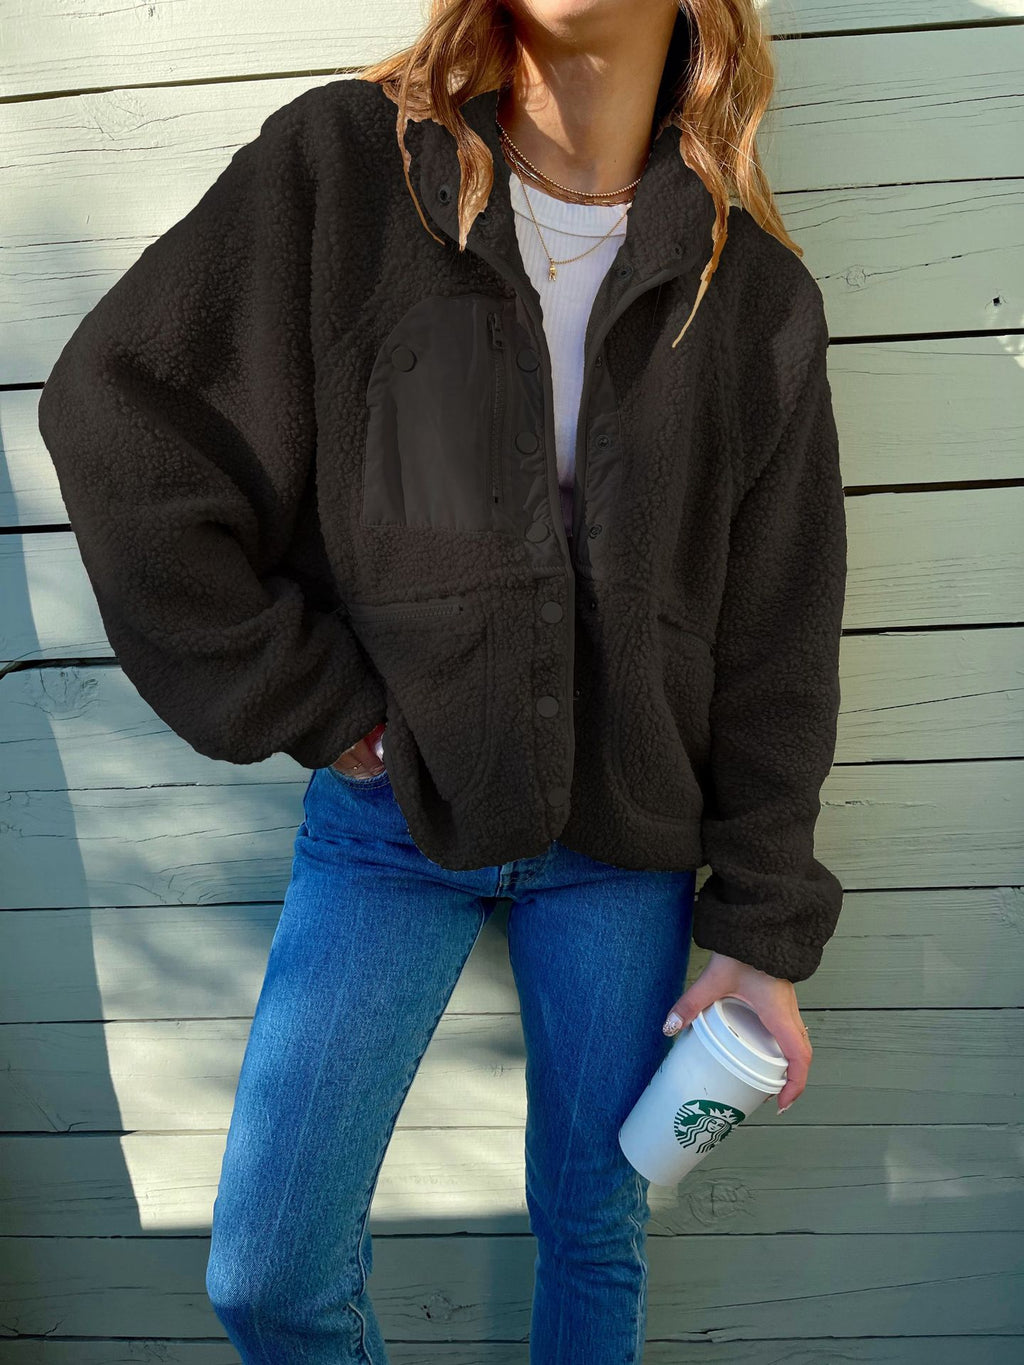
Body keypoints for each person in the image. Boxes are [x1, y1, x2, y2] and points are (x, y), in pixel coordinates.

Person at [36, 0, 848, 1359]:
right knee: (271, 1273)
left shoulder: (749, 293)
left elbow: (780, 636)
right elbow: (122, 419)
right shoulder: (353, 172)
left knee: (594, 1229)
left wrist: (763, 932)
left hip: (625, 843)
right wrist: (315, 699)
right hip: (391, 822)